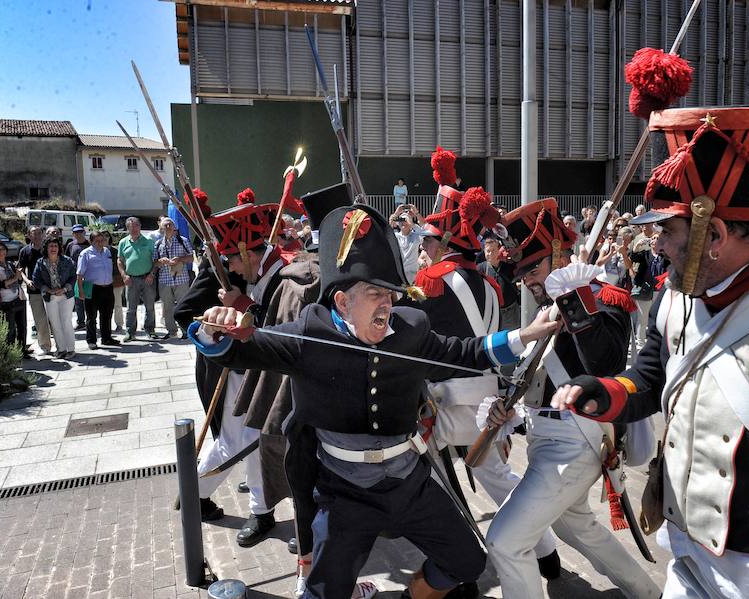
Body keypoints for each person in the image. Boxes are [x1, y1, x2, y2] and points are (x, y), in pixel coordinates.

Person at [552, 106, 749, 598]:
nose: (657, 245)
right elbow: (651, 377)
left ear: (712, 236)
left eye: (667, 232)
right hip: (686, 555)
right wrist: (604, 391)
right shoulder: (675, 298)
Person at [190, 202, 560, 599]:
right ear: (343, 303)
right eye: (373, 294)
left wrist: (526, 335)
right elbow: (246, 348)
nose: (387, 304)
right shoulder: (310, 334)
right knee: (324, 593)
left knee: (467, 561)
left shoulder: (410, 327)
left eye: (389, 293)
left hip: (410, 484)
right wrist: (216, 330)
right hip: (344, 493)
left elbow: (464, 352)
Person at [483, 198, 659, 599]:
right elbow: (538, 377)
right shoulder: (547, 308)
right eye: (522, 271)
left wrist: (576, 300)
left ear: (561, 257)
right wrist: (504, 407)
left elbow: (608, 364)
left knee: (506, 540)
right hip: (546, 438)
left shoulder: (600, 297)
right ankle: (646, 593)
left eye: (534, 268)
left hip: (575, 441)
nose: (525, 278)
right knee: (576, 526)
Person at [414, 180, 562, 597]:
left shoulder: (430, 280)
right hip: (487, 397)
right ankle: (547, 552)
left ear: (444, 240)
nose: (423, 248)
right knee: (499, 478)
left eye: (427, 239)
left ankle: (458, 575)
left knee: (435, 487)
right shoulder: (489, 282)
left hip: (444, 403)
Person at [227, 182, 353, 595]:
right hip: (313, 406)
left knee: (318, 494)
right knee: (315, 491)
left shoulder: (300, 275)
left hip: (316, 404)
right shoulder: (308, 277)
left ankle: (317, 574)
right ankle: (314, 577)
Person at [189, 192, 286, 547]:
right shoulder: (243, 273)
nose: (229, 268)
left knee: (253, 442)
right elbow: (188, 314)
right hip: (234, 369)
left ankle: (261, 511)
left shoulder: (282, 274)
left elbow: (281, 325)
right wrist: (219, 321)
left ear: (247, 253)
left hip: (265, 370)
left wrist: (242, 305)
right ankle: (197, 492)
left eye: (232, 259)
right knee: (236, 442)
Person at [32, 237, 77, 359]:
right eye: (51, 246)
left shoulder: (66, 261)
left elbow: (73, 277)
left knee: (66, 322)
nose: (53, 248)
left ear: (59, 248)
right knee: (55, 324)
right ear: (46, 248)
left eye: (55, 246)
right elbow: (36, 280)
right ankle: (61, 349)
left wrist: (64, 289)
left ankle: (71, 349)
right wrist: (48, 290)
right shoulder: (41, 262)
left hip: (66, 295)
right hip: (50, 297)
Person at [117, 217, 158, 341]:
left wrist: (152, 274)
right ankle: (130, 332)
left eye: (136, 226)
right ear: (127, 228)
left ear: (140, 227)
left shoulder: (149, 241)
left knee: (150, 306)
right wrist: (124, 275)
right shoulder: (123, 242)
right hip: (131, 280)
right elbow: (120, 260)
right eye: (131, 226)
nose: (134, 229)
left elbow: (155, 261)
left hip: (147, 278)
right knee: (131, 308)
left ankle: (150, 330)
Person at [153, 217, 194, 340]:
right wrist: (161, 261)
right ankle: (171, 331)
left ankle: (186, 330)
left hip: (181, 279)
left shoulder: (183, 241)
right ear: (161, 228)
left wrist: (180, 259)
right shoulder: (158, 244)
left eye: (170, 224)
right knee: (167, 307)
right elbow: (155, 263)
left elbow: (191, 258)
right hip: (165, 280)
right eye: (165, 225)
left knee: (183, 305)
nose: (168, 227)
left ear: (174, 227)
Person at [77, 230, 119, 350]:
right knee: (91, 316)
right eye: (97, 241)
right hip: (93, 288)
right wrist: (81, 290)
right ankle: (91, 340)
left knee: (107, 314)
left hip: (108, 287)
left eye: (102, 240)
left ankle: (106, 338)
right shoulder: (85, 253)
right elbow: (79, 274)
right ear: (91, 241)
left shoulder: (107, 252)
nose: (100, 243)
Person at [18, 226, 52, 354]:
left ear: (43, 235)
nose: (37, 235)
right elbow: (20, 270)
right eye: (34, 233)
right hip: (34, 290)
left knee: (54, 318)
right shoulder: (24, 251)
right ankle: (45, 346)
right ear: (29, 236)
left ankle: (61, 345)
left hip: (51, 289)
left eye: (39, 233)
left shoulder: (48, 248)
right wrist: (26, 281)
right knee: (40, 319)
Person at [0, 240, 28, 353]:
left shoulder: (10, 263)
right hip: (6, 303)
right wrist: (15, 277)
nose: (2, 252)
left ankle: (22, 351)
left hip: (18, 298)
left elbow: (19, 281)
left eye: (3, 249)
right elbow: (0, 285)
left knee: (22, 328)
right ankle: (10, 354)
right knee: (10, 330)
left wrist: (19, 276)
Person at [629, 232, 667, 346]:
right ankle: (640, 342)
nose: (654, 240)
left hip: (659, 290)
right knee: (642, 317)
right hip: (645, 289)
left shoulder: (665, 255)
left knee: (658, 316)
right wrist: (636, 247)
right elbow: (633, 257)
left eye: (657, 238)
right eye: (653, 238)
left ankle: (655, 342)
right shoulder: (645, 254)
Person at [477, 236, 520, 330]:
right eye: (488, 251)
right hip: (492, 314)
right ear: (484, 252)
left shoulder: (509, 267)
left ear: (498, 250)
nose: (490, 253)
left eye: (493, 250)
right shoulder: (480, 269)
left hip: (511, 312)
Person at [389, 204, 425, 282]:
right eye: (401, 220)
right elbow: (387, 230)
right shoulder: (396, 236)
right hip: (399, 274)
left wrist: (416, 214)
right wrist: (396, 213)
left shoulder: (416, 236)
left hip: (413, 274)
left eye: (405, 220)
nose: (403, 222)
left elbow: (424, 232)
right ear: (398, 224)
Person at [66, 224, 90, 330]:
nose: (78, 234)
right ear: (73, 234)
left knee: (89, 300)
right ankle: (81, 321)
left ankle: (91, 321)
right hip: (75, 276)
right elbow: (66, 259)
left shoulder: (90, 244)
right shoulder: (70, 245)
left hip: (89, 276)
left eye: (80, 232)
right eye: (76, 233)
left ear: (84, 233)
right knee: (78, 301)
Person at [107, 232, 125, 332]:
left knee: (117, 304)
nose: (104, 238)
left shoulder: (115, 251)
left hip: (116, 281)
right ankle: (106, 325)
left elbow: (120, 264)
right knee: (105, 306)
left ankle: (119, 324)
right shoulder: (97, 251)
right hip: (102, 282)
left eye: (106, 236)